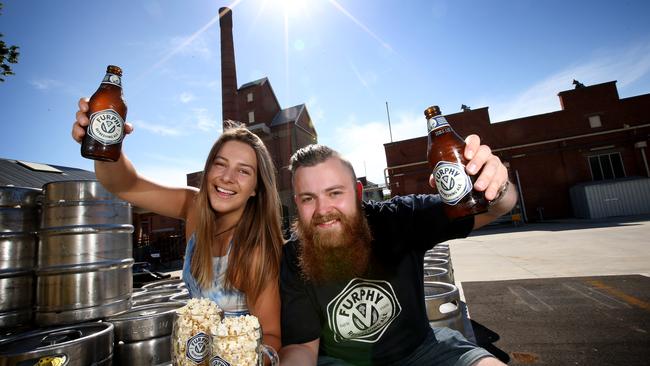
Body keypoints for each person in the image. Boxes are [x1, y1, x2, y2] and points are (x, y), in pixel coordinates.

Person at [279, 136, 517, 366]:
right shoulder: (294, 256)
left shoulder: (398, 218)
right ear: (297, 202)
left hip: (423, 350)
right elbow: (302, 347)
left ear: (358, 193)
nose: (323, 210)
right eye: (308, 198)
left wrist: (497, 187)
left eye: (335, 193)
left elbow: (495, 209)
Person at [71, 98, 283, 352]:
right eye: (221, 164)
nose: (227, 178)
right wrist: (107, 143)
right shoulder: (193, 206)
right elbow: (125, 185)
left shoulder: (253, 251)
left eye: (243, 171)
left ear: (255, 189)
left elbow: (271, 337)